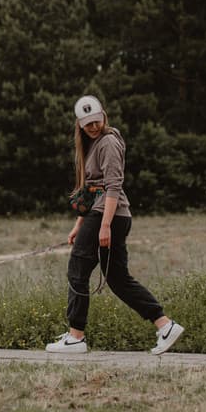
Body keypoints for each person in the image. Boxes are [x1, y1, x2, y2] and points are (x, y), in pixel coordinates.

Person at [46, 95, 185, 355]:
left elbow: (113, 186)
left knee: (78, 266)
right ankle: (165, 325)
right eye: (88, 124)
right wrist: (79, 223)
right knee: (118, 279)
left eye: (96, 121)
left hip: (109, 216)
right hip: (101, 215)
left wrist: (105, 225)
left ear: (103, 116)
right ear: (79, 125)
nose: (93, 127)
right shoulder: (92, 145)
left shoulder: (108, 142)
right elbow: (91, 190)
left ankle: (76, 336)